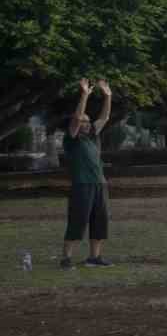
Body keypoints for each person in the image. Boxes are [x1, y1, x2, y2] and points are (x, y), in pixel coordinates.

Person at [60, 78, 113, 268]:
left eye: (88, 121)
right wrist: (84, 95)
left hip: (99, 184)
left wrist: (108, 96)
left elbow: (105, 118)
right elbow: (77, 117)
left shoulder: (92, 136)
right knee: (78, 220)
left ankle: (94, 257)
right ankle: (66, 259)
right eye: (84, 121)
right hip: (82, 185)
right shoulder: (72, 140)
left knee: (100, 220)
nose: (87, 123)